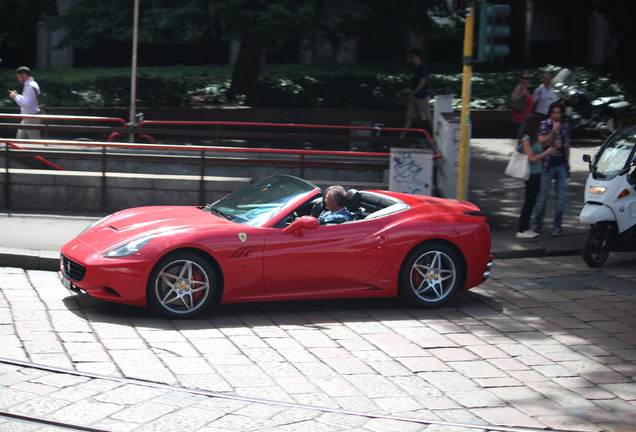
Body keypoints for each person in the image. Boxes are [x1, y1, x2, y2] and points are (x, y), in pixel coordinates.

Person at [532, 102, 571, 237]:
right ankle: (537, 224)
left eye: (558, 113)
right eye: (554, 112)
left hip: (560, 165)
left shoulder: (565, 126)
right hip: (547, 166)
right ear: (550, 113)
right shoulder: (545, 124)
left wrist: (567, 166)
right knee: (542, 198)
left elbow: (566, 146)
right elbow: (542, 142)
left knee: (560, 198)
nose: (556, 115)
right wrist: (553, 131)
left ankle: (557, 226)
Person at [516, 114, 557, 239]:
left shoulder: (532, 139)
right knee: (529, 201)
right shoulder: (526, 139)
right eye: (538, 124)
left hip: (536, 174)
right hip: (532, 174)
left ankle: (525, 228)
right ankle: (522, 229)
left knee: (531, 201)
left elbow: (541, 146)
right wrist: (547, 152)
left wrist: (553, 132)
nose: (540, 126)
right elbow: (532, 158)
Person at [399, 49, 431, 138]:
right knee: (409, 116)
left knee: (427, 117)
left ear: (418, 57)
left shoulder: (422, 67)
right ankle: (401, 137)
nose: (411, 59)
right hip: (416, 96)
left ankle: (437, 136)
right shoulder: (418, 68)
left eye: (412, 57)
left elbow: (422, 82)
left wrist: (413, 93)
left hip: (421, 96)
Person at [8, 66, 42, 139]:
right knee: (20, 140)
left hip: (31, 118)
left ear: (24, 75)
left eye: (19, 77)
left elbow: (27, 105)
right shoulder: (30, 85)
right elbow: (27, 100)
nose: (18, 79)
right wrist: (17, 96)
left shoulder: (30, 87)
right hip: (28, 117)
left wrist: (15, 97)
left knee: (35, 141)